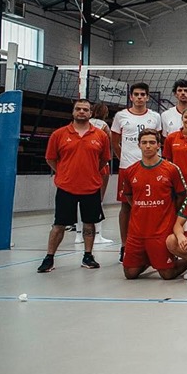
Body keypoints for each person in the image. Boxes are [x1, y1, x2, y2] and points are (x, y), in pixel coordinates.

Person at [38, 99, 111, 273]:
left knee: (89, 224)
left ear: (91, 113)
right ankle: (49, 258)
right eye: (78, 109)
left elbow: (104, 159)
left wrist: (90, 172)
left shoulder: (100, 136)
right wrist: (63, 172)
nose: (81, 112)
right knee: (59, 225)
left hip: (91, 187)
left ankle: (88, 255)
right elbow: (50, 158)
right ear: (73, 112)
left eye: (85, 109)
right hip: (66, 187)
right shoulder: (59, 134)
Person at [121, 129, 187, 280]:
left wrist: (172, 215)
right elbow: (128, 195)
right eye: (144, 143)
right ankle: (150, 260)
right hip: (137, 231)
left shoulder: (171, 169)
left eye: (152, 142)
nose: (148, 146)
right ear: (139, 145)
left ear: (159, 145)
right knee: (130, 274)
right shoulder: (130, 171)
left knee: (167, 275)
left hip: (161, 230)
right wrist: (140, 208)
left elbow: (182, 195)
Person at [111, 82, 162, 262]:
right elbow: (115, 142)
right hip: (127, 168)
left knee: (152, 206)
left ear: (148, 97)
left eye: (143, 94)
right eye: (136, 94)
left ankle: (151, 244)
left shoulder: (155, 117)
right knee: (126, 206)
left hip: (151, 168)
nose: (140, 97)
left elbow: (157, 140)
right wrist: (124, 158)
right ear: (131, 97)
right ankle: (125, 246)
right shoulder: (121, 116)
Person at [75, 102, 114, 245]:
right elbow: (108, 146)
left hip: (83, 165)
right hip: (99, 165)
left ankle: (79, 235)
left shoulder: (81, 123)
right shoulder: (103, 126)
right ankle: (97, 235)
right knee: (98, 200)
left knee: (81, 200)